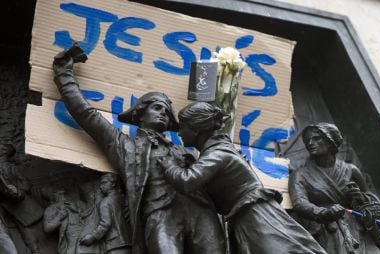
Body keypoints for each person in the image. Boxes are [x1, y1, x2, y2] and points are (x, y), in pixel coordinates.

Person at [52, 45, 225, 254]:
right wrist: (64, 74)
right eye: (157, 107)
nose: (163, 113)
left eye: (166, 111)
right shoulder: (125, 146)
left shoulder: (186, 150)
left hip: (200, 211)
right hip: (161, 215)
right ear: (140, 115)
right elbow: (86, 115)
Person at [159, 102, 326, 254]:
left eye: (183, 127)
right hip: (245, 215)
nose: (179, 133)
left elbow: (187, 181)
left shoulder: (218, 153)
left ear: (196, 128)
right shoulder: (217, 150)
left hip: (256, 215)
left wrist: (169, 165)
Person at [288, 123, 380, 254]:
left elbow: (371, 201)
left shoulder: (351, 170)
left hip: (357, 230)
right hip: (328, 229)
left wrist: (360, 198)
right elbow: (299, 203)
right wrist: (324, 213)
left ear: (330, 141)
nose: (310, 143)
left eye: (317, 138)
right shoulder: (300, 174)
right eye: (308, 140)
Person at [0, 143, 43, 254]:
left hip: (16, 205)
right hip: (5, 205)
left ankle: (35, 250)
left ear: (4, 153)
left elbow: (26, 183)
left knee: (24, 227)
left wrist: (19, 192)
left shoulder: (11, 167)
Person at [80, 174, 131, 254]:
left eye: (104, 183)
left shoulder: (105, 202)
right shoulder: (123, 198)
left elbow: (106, 223)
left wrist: (92, 237)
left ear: (113, 184)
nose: (101, 187)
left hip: (115, 244)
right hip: (128, 241)